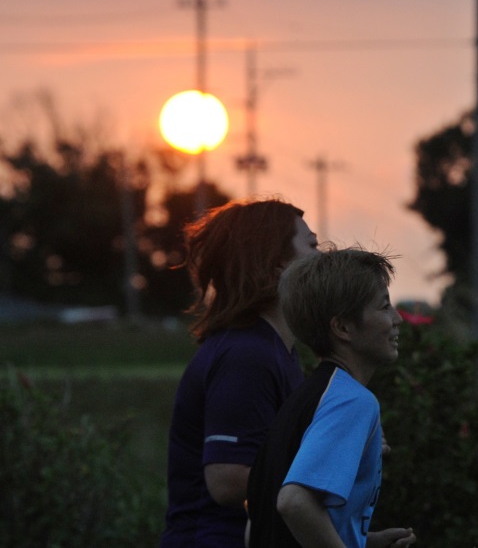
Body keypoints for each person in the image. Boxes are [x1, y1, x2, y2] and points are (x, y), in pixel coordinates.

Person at [160, 198, 320, 548]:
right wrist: (334, 463)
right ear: (278, 265)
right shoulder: (246, 356)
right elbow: (229, 481)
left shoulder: (278, 351)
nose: (323, 260)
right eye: (312, 246)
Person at [246, 248, 417, 548]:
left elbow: (256, 529)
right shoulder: (352, 402)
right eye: (384, 307)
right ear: (343, 327)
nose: (397, 318)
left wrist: (364, 541)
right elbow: (294, 503)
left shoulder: (302, 401)